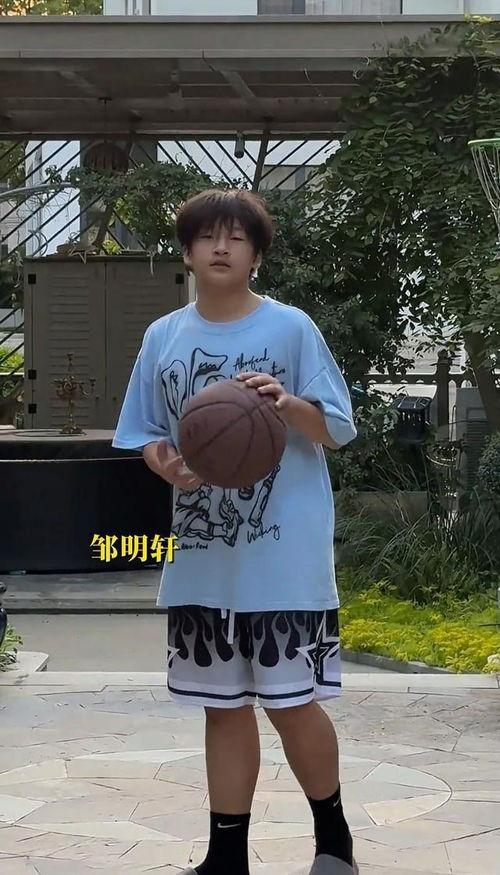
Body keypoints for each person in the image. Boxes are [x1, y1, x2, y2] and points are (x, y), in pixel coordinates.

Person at [112, 188, 359, 875]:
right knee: (220, 709)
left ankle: (334, 843)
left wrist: (287, 404)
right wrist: (167, 464)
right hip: (202, 559)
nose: (221, 247)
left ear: (256, 255)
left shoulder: (292, 328)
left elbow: (338, 428)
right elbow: (145, 433)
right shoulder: (163, 337)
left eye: (237, 237)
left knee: (293, 705)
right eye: (207, 236)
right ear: (187, 252)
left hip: (283, 563)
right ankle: (226, 859)